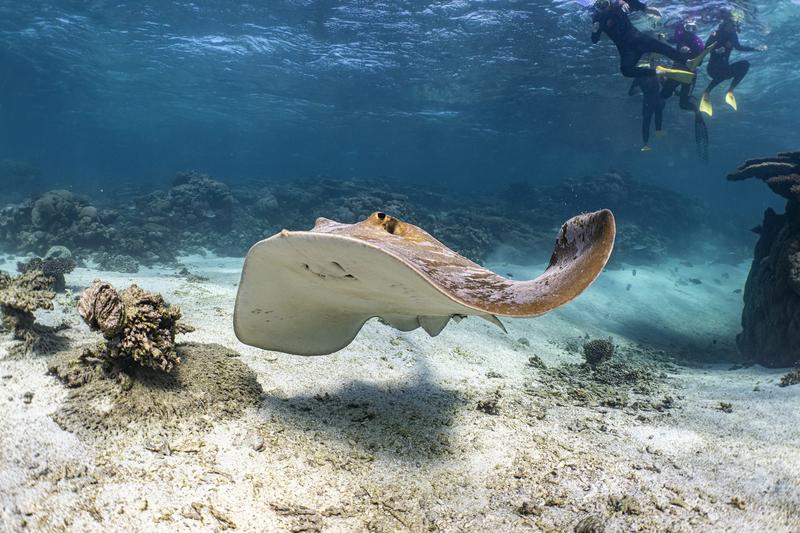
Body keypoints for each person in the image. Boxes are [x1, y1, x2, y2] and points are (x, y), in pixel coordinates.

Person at [591, 0, 703, 84]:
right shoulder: (598, 18)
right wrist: (595, 31)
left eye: (604, 3)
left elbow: (641, 6)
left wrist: (650, 10)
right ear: (596, 7)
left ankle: (688, 62)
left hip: (639, 39)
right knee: (626, 71)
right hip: (626, 49)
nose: (603, 7)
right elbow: (594, 40)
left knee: (663, 48)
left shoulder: (619, 4)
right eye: (599, 5)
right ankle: (660, 72)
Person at [699, 9, 767, 116]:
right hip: (713, 69)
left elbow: (738, 47)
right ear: (726, 23)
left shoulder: (733, 35)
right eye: (733, 24)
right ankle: (707, 91)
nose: (735, 27)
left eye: (736, 25)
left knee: (745, 64)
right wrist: (715, 50)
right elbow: (705, 48)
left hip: (724, 69)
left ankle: (730, 91)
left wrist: (755, 49)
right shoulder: (716, 33)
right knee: (722, 70)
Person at [660, 19, 710, 160]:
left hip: (688, 76)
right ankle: (676, 92)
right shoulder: (680, 35)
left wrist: (690, 54)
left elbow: (700, 61)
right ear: (685, 27)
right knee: (664, 95)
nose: (690, 30)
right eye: (688, 27)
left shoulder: (698, 42)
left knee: (683, 104)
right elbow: (670, 40)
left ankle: (695, 109)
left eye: (693, 28)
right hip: (676, 72)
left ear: (696, 29)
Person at [628, 55, 664, 152]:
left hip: (649, 101)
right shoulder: (653, 74)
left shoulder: (640, 77)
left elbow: (630, 92)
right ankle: (649, 142)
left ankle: (647, 143)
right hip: (655, 100)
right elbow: (630, 93)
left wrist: (636, 92)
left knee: (648, 122)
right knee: (654, 120)